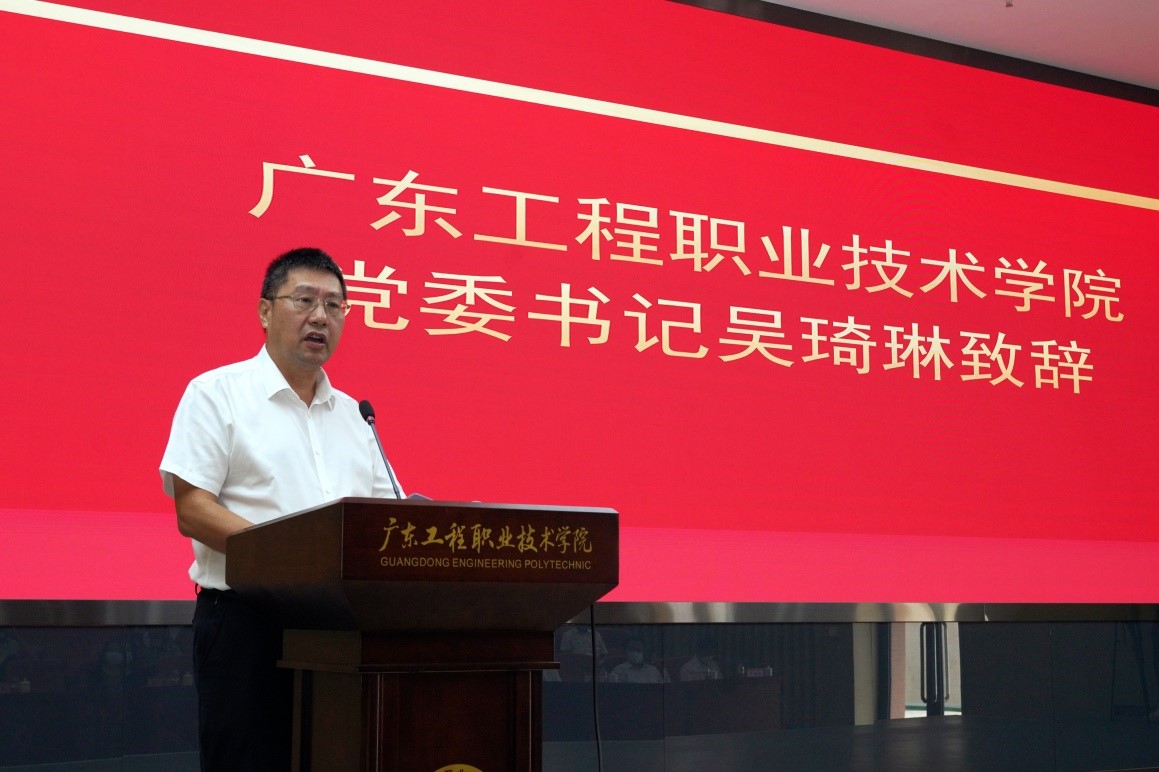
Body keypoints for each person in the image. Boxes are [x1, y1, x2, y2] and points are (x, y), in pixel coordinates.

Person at [159, 247, 400, 771]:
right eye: (304, 300)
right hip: (247, 622)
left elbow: (384, 522)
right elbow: (193, 508)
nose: (321, 317)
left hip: (341, 629)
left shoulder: (355, 417)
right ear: (265, 311)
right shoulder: (217, 394)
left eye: (334, 306)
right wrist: (294, 558)